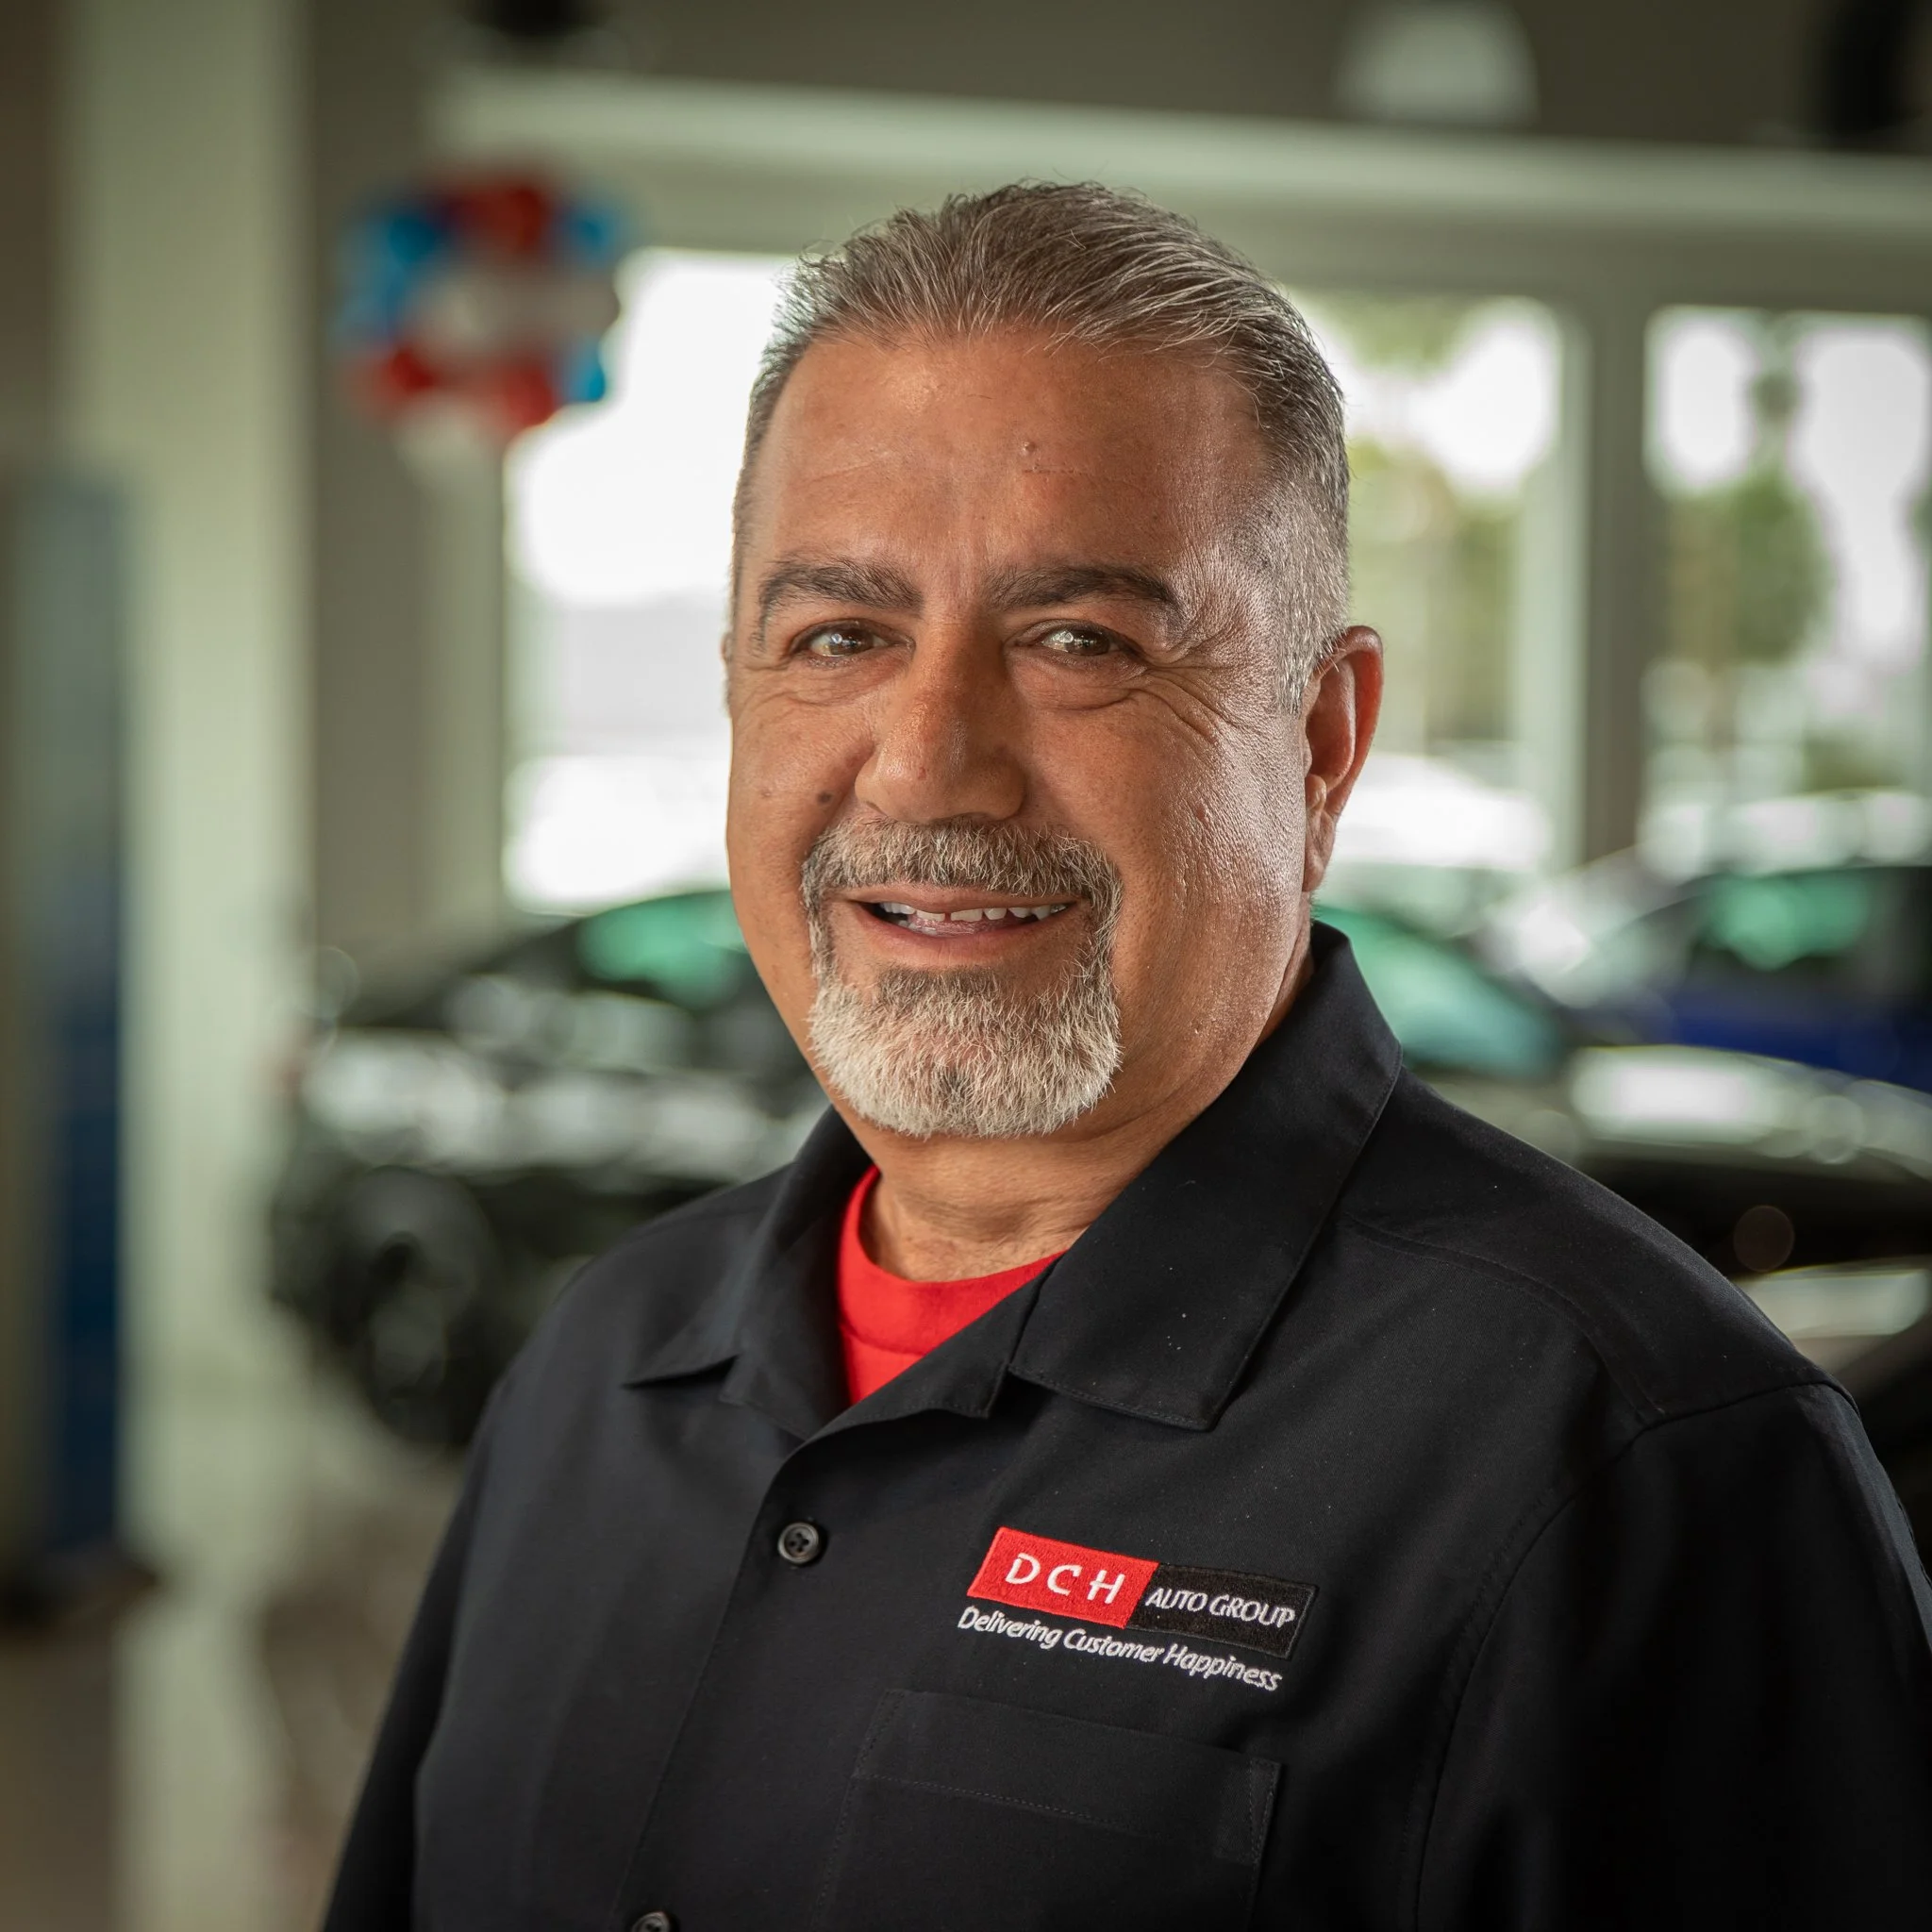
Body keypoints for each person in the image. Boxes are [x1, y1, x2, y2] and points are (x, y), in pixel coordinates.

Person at [325, 185, 1932, 1931]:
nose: (930, 762)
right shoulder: (602, 1360)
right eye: (841, 637)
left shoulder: (1636, 1465)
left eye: (1080, 642)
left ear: (1321, 746)